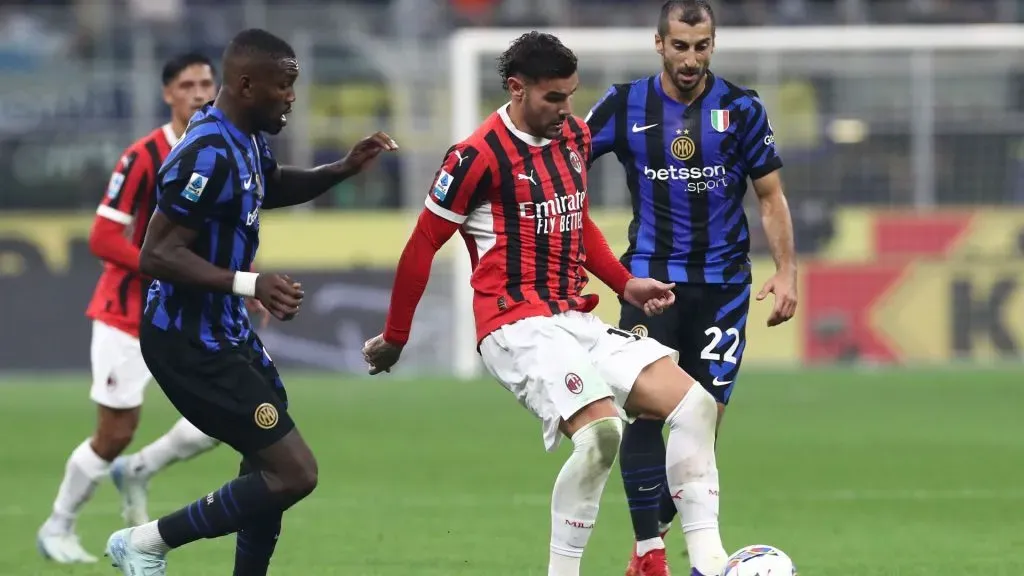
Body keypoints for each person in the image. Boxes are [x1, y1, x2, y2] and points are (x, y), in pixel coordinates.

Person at [362, 31, 727, 576]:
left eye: (571, 95)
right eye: (554, 98)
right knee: (604, 434)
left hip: (572, 317)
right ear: (516, 89)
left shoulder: (574, 137)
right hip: (514, 326)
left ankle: (708, 563)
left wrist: (625, 284)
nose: (566, 109)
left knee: (696, 406)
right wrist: (395, 337)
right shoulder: (474, 156)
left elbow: (577, 225)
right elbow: (420, 248)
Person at [102, 28, 397, 576]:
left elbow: (272, 184)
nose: (291, 97)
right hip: (185, 339)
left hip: (225, 332)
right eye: (283, 86)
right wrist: (249, 283)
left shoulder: (248, 140)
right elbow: (157, 255)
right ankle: (146, 541)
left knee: (267, 467)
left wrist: (341, 170)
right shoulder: (204, 152)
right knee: (294, 473)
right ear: (245, 84)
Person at [585, 2, 798, 575]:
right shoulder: (624, 104)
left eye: (701, 45)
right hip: (651, 281)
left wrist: (786, 271)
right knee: (646, 413)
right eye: (680, 45)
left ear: (713, 43)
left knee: (705, 420)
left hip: (725, 286)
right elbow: (566, 167)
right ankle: (653, 553)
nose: (691, 57)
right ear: (659, 44)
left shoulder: (742, 108)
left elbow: (770, 195)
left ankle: (651, 538)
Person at [36, 53, 232, 564]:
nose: (198, 92)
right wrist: (162, 268)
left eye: (206, 82)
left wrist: (236, 288)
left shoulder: (226, 147)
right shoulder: (145, 154)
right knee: (115, 431)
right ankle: (58, 525)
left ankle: (141, 469)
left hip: (194, 310)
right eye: (187, 84)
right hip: (128, 313)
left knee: (227, 413)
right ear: (168, 94)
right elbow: (103, 235)